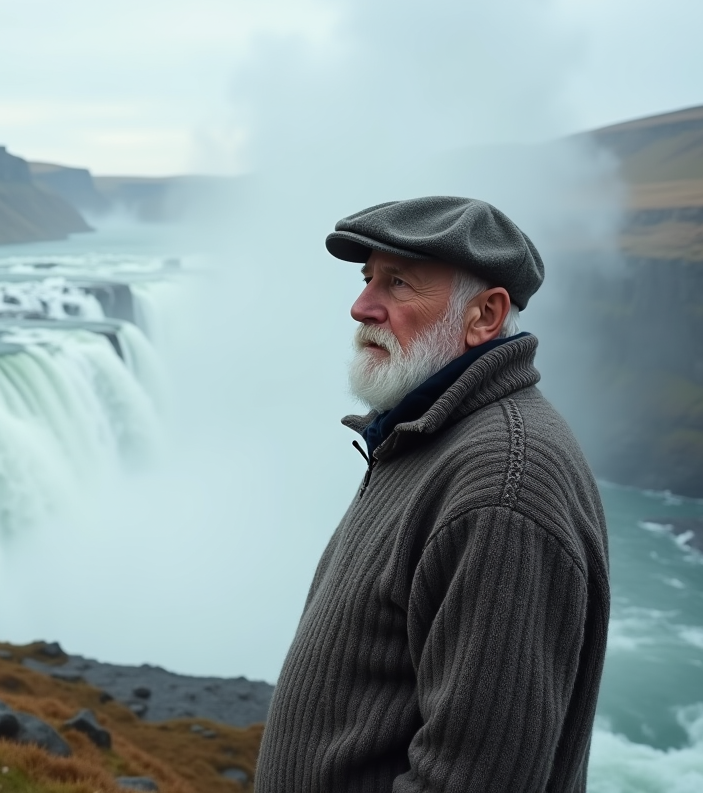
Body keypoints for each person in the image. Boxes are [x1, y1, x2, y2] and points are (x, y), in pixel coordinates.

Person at [253, 197, 610, 793]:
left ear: (484, 315)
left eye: (398, 283)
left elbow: (476, 779)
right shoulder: (427, 435)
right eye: (368, 278)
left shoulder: (501, 487)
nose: (362, 306)